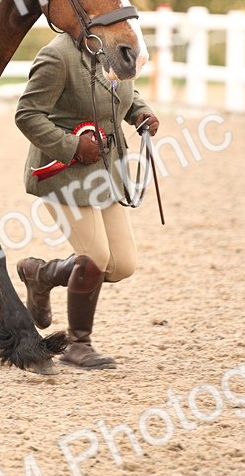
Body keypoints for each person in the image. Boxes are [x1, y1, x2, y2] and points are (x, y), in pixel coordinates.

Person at [14, 33, 160, 369]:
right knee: (95, 257)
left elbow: (123, 93)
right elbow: (27, 114)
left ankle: (42, 274)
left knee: (121, 264)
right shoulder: (56, 57)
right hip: (62, 173)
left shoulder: (116, 48)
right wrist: (71, 146)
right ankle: (78, 344)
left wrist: (140, 112)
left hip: (106, 172)